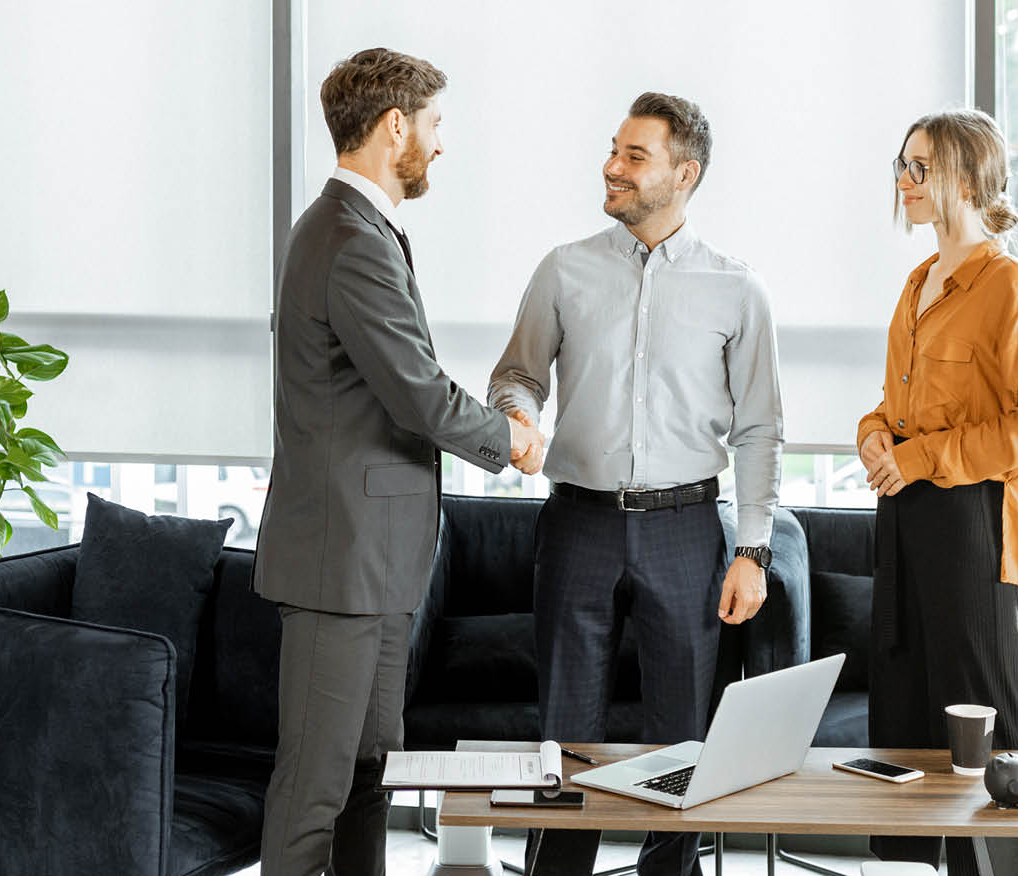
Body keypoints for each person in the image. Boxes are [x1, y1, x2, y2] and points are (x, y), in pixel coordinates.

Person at [253, 47, 543, 876]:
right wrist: (510, 439)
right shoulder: (349, 239)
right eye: (434, 125)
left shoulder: (360, 230)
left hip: (373, 562)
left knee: (368, 778)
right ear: (394, 127)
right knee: (315, 787)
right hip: (336, 564)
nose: (439, 144)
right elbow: (417, 392)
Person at [489, 91, 783, 876]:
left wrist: (751, 548)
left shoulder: (737, 289)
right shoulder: (564, 268)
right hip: (577, 523)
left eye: (633, 156)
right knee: (565, 737)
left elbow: (759, 428)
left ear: (683, 174)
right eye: (612, 150)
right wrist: (519, 417)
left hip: (688, 530)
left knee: (682, 740)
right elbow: (516, 376)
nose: (611, 168)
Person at [857, 108, 1018, 874]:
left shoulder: (1009, 287)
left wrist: (921, 459)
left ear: (970, 179)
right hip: (906, 517)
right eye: (902, 165)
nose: (905, 182)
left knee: (982, 723)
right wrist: (876, 436)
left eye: (922, 168)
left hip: (972, 517)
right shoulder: (918, 283)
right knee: (911, 714)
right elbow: (896, 406)